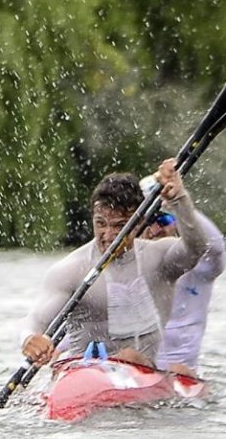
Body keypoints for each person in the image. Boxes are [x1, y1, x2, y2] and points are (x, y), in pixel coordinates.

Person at [21, 158, 211, 371]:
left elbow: (198, 249)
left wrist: (179, 199)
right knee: (130, 358)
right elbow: (37, 320)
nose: (109, 235)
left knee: (162, 366)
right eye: (101, 223)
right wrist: (31, 339)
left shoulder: (160, 259)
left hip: (143, 373)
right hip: (80, 373)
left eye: (120, 226)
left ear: (139, 223)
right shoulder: (71, 270)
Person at [140, 203, 226, 376]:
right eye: (149, 221)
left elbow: (216, 247)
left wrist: (177, 204)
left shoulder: (202, 268)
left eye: (163, 219)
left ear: (176, 223)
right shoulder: (125, 268)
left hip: (181, 377)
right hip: (135, 369)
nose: (157, 229)